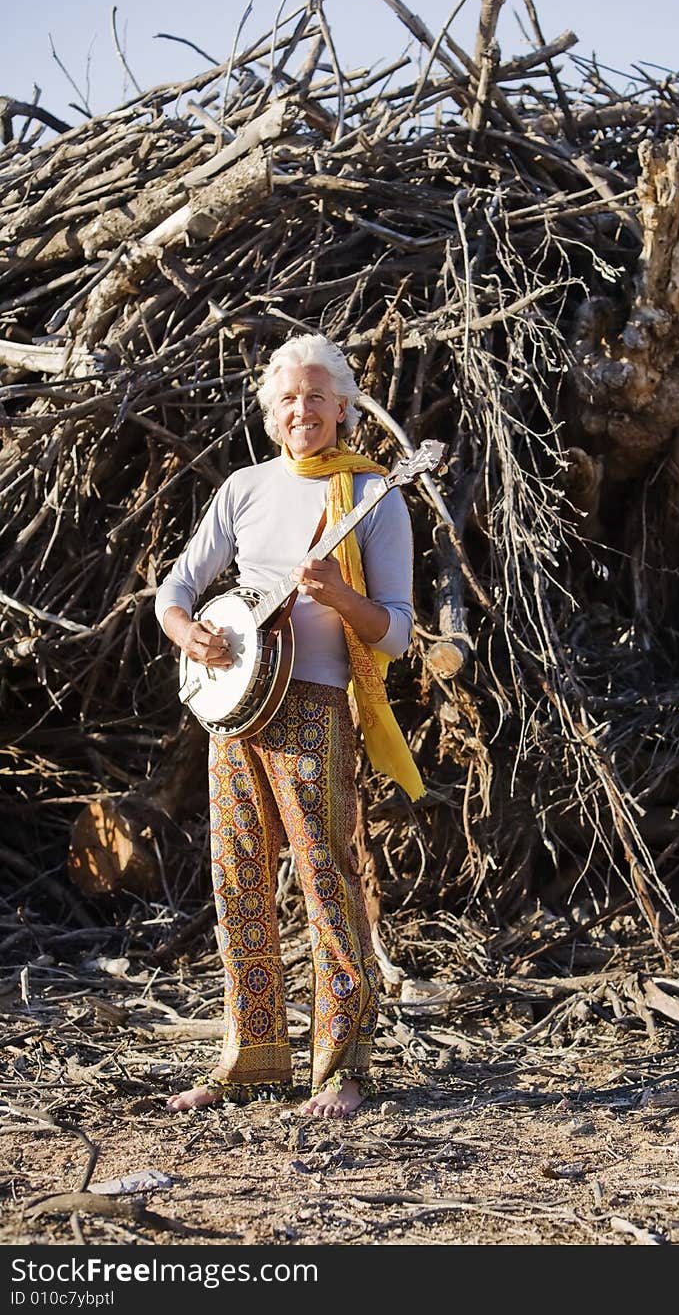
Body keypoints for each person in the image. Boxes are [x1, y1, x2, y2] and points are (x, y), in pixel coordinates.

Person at [154, 332, 424, 1118]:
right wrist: (186, 633)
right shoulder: (243, 488)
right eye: (287, 398)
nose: (301, 409)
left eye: (316, 396)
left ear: (343, 407)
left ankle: (342, 1068)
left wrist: (340, 596)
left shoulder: (376, 495)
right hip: (233, 707)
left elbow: (399, 632)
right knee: (236, 878)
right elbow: (177, 586)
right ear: (270, 413)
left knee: (324, 876)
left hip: (314, 706)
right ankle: (254, 1057)